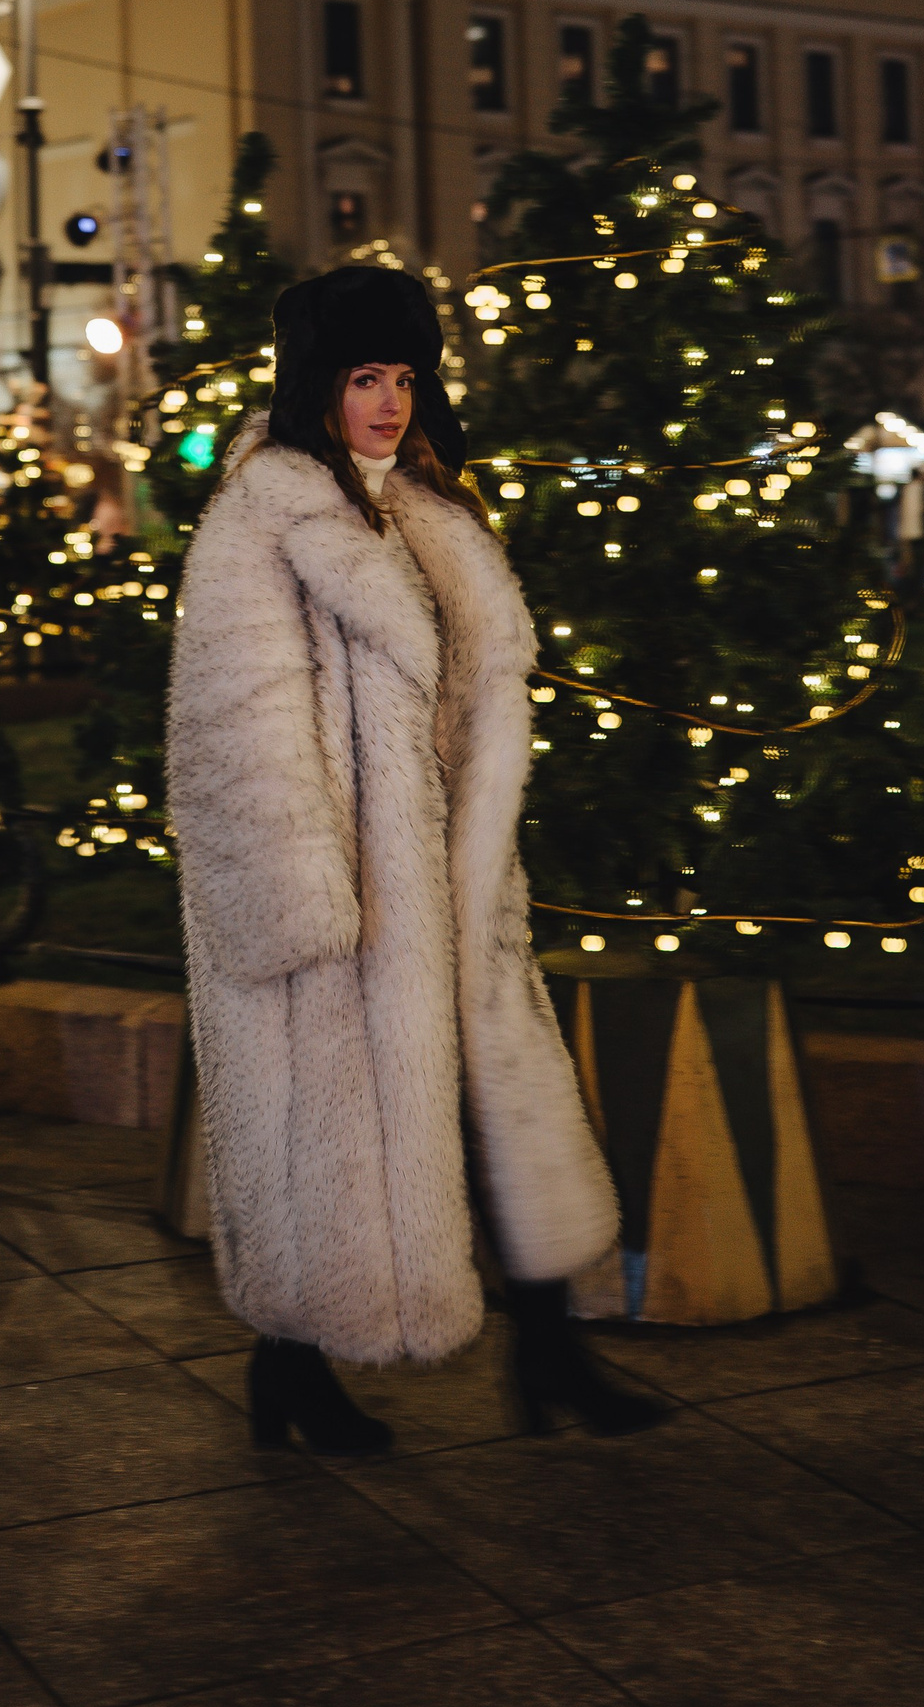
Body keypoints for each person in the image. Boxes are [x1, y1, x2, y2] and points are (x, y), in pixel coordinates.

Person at [165, 262, 663, 1454]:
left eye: (402, 377)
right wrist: (301, 905)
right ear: (314, 385)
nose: (388, 402)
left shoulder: (430, 512)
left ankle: (549, 1352)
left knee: (501, 1116)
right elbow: (231, 727)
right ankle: (288, 1368)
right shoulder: (264, 520)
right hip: (346, 900)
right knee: (329, 1148)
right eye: (362, 378)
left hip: (452, 886)